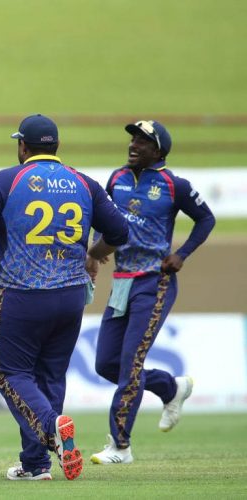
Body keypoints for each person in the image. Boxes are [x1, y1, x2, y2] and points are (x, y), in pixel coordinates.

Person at [0, 114, 129, 481]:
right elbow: (119, 231)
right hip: (70, 297)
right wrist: (94, 255)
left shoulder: (8, 179)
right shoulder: (83, 182)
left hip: (22, 295)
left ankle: (52, 429)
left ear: (22, 146)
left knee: (7, 371)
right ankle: (36, 465)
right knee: (49, 376)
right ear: (57, 146)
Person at [86, 120, 215, 465]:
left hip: (154, 283)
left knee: (130, 365)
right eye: (132, 139)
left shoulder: (175, 185)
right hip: (122, 283)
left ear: (158, 151)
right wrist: (96, 251)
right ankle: (171, 388)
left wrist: (181, 254)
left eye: (142, 141)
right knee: (106, 363)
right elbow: (101, 219)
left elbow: (206, 219)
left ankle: (120, 446)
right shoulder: (116, 179)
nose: (133, 145)